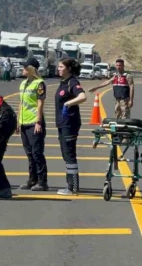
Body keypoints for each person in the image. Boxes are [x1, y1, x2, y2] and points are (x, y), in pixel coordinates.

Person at [55, 58, 87, 195]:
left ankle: (72, 187)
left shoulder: (72, 82)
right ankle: (70, 185)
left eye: (61, 67)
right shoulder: (63, 83)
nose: (58, 69)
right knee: (65, 154)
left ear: (68, 69)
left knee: (69, 155)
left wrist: (68, 104)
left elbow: (83, 96)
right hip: (62, 124)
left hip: (70, 124)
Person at [18, 57, 49, 191]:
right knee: (29, 153)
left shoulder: (39, 83)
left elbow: (40, 103)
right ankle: (32, 179)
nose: (23, 69)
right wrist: (18, 121)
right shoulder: (23, 84)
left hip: (34, 122)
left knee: (37, 153)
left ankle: (42, 182)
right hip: (24, 122)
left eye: (25, 67)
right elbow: (21, 103)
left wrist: (38, 122)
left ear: (32, 69)